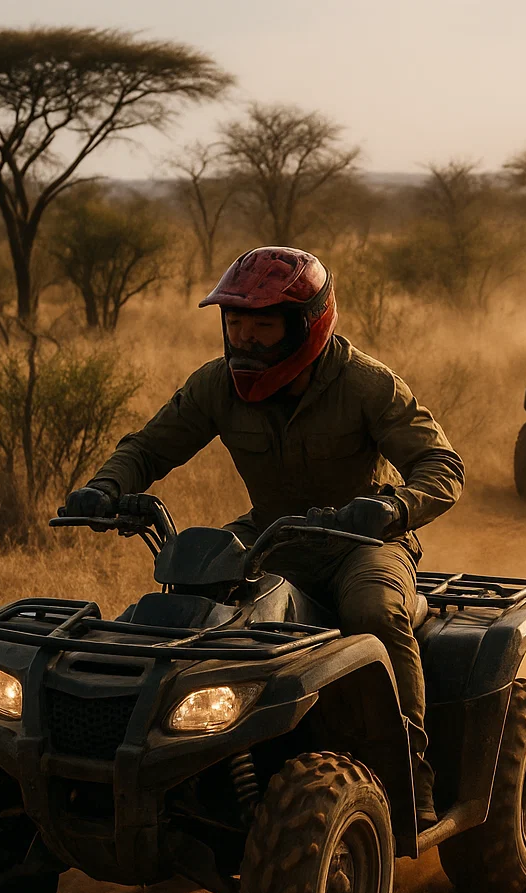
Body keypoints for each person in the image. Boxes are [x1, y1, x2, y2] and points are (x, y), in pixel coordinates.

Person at [62, 246, 464, 829]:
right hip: (271, 531)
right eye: (235, 323)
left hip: (363, 540)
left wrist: (390, 508)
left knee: (374, 612)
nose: (244, 338)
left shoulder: (369, 385)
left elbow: (442, 467)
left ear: (307, 325)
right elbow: (149, 447)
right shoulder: (216, 384)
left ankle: (410, 775)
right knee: (186, 597)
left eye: (262, 324)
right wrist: (103, 488)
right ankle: (169, 768)